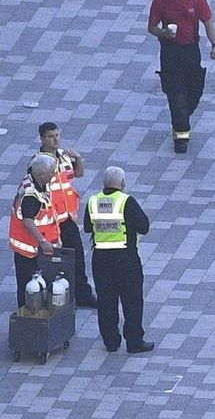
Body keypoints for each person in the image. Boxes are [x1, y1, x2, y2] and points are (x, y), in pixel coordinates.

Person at [147, 0, 215, 158]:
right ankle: (181, 137)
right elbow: (152, 27)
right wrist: (163, 33)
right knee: (176, 93)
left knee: (195, 91)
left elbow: (208, 22)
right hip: (170, 52)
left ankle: (182, 116)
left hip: (191, 51)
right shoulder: (161, 1)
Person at [86, 166, 153, 353]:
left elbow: (86, 227)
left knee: (106, 302)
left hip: (100, 260)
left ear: (103, 184)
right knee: (132, 301)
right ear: (122, 183)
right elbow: (144, 226)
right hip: (126, 260)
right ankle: (134, 342)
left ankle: (111, 341)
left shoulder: (93, 201)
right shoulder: (127, 202)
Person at [36, 122, 93, 310]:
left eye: (57, 135)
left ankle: (82, 295)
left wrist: (79, 158)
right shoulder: (39, 163)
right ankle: (54, 297)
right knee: (53, 261)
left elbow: (78, 174)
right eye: (51, 136)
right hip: (50, 222)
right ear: (43, 139)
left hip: (67, 219)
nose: (55, 139)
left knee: (76, 258)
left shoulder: (64, 157)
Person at [10, 154, 60, 310]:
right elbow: (27, 220)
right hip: (30, 250)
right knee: (28, 287)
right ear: (41, 174)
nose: (54, 175)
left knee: (36, 285)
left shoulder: (35, 180)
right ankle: (27, 318)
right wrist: (43, 241)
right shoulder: (31, 195)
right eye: (52, 172)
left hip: (36, 248)